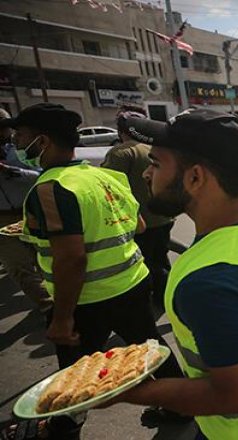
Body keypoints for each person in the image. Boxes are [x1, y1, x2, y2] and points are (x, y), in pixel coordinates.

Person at [112, 108, 238, 438]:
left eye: (156, 163)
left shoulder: (208, 282)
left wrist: (129, 392)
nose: (147, 175)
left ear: (195, 177)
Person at [13, 103, 184, 437]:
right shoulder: (106, 177)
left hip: (87, 298)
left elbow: (71, 259)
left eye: (21, 137)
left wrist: (62, 318)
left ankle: (62, 427)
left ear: (43, 141)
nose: (17, 143)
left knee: (75, 372)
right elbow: (138, 225)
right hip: (131, 283)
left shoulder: (50, 189)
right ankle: (180, 405)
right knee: (150, 346)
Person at [102, 108, 175, 312]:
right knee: (160, 257)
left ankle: (163, 296)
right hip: (163, 217)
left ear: (121, 131)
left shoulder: (120, 153)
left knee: (148, 262)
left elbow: (109, 189)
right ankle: (166, 293)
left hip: (140, 220)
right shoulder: (152, 149)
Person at [0, 109, 52, 314]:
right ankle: (50, 306)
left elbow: (43, 174)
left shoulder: (21, 150)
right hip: (3, 217)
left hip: (30, 210)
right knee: (17, 265)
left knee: (44, 258)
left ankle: (62, 298)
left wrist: (12, 172)